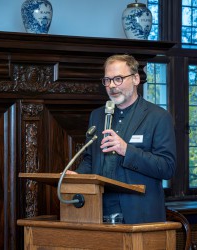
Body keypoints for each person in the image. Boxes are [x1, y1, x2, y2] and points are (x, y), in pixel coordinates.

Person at [67, 54, 176, 224]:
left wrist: (126, 150)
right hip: (96, 211)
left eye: (118, 79)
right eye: (107, 80)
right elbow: (91, 158)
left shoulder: (158, 117)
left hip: (138, 214)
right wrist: (78, 175)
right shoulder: (97, 115)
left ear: (135, 79)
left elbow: (167, 167)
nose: (111, 86)